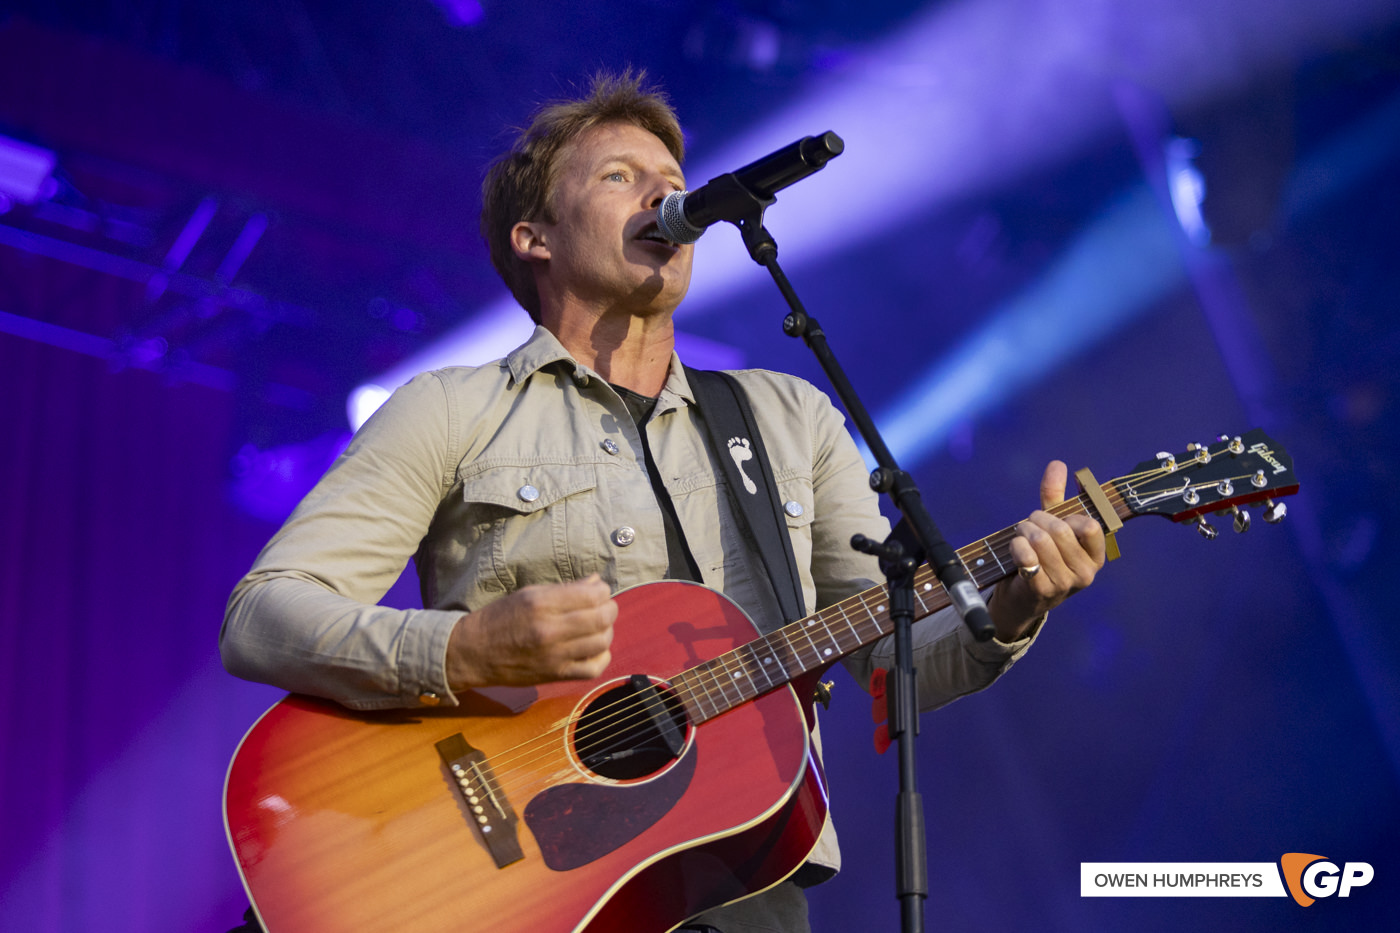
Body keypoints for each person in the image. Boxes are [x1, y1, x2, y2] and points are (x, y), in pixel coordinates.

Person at [221, 71, 1105, 933]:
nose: (663, 197)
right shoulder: (454, 408)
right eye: (619, 177)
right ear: (536, 237)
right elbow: (264, 617)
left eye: (674, 185)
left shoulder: (788, 417)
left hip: (745, 886)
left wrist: (1020, 600)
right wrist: (467, 646)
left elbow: (892, 664)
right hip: (525, 890)